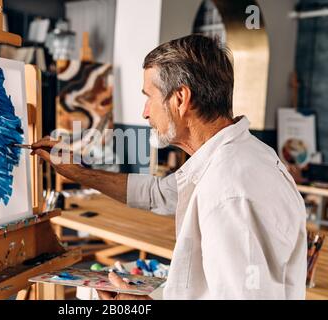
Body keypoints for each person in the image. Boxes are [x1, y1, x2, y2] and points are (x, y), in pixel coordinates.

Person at [32, 35, 307, 300]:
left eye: (149, 96)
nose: (145, 112)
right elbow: (158, 194)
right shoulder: (234, 157)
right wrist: (78, 172)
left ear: (180, 98)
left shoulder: (229, 191)